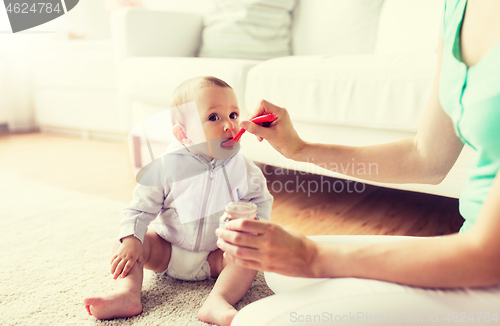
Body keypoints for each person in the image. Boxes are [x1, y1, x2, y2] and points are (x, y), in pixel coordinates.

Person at [216, 0, 500, 323]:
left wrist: (312, 257)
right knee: (282, 274)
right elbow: (425, 157)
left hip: (488, 269)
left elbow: (487, 255)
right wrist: (300, 150)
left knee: (254, 320)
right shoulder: (456, 9)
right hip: (470, 243)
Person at [83, 76, 273, 326]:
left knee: (247, 257)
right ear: (183, 133)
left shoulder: (245, 169)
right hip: (166, 250)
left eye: (234, 115)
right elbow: (139, 208)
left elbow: (260, 203)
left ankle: (218, 300)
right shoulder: (166, 166)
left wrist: (255, 225)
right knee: (126, 244)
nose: (229, 125)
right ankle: (127, 294)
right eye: (214, 117)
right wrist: (131, 239)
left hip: (216, 256)